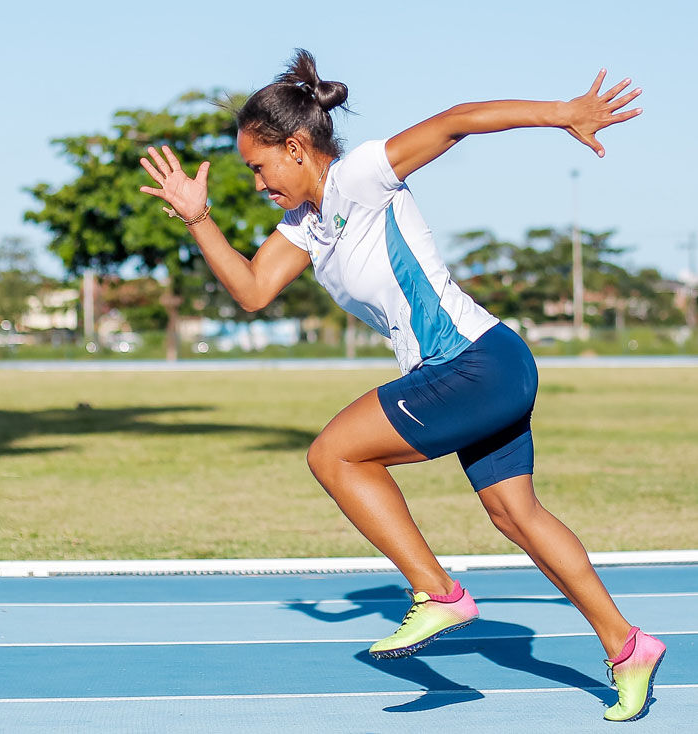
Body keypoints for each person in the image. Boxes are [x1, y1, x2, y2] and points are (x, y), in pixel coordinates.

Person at [138, 49, 663, 722]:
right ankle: (629, 646)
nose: (256, 181)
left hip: (475, 363)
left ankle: (437, 593)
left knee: (334, 453)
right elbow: (251, 289)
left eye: (258, 165)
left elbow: (458, 121)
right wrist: (196, 218)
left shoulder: (361, 177)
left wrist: (564, 115)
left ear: (296, 148)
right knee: (514, 515)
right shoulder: (306, 227)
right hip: (482, 367)